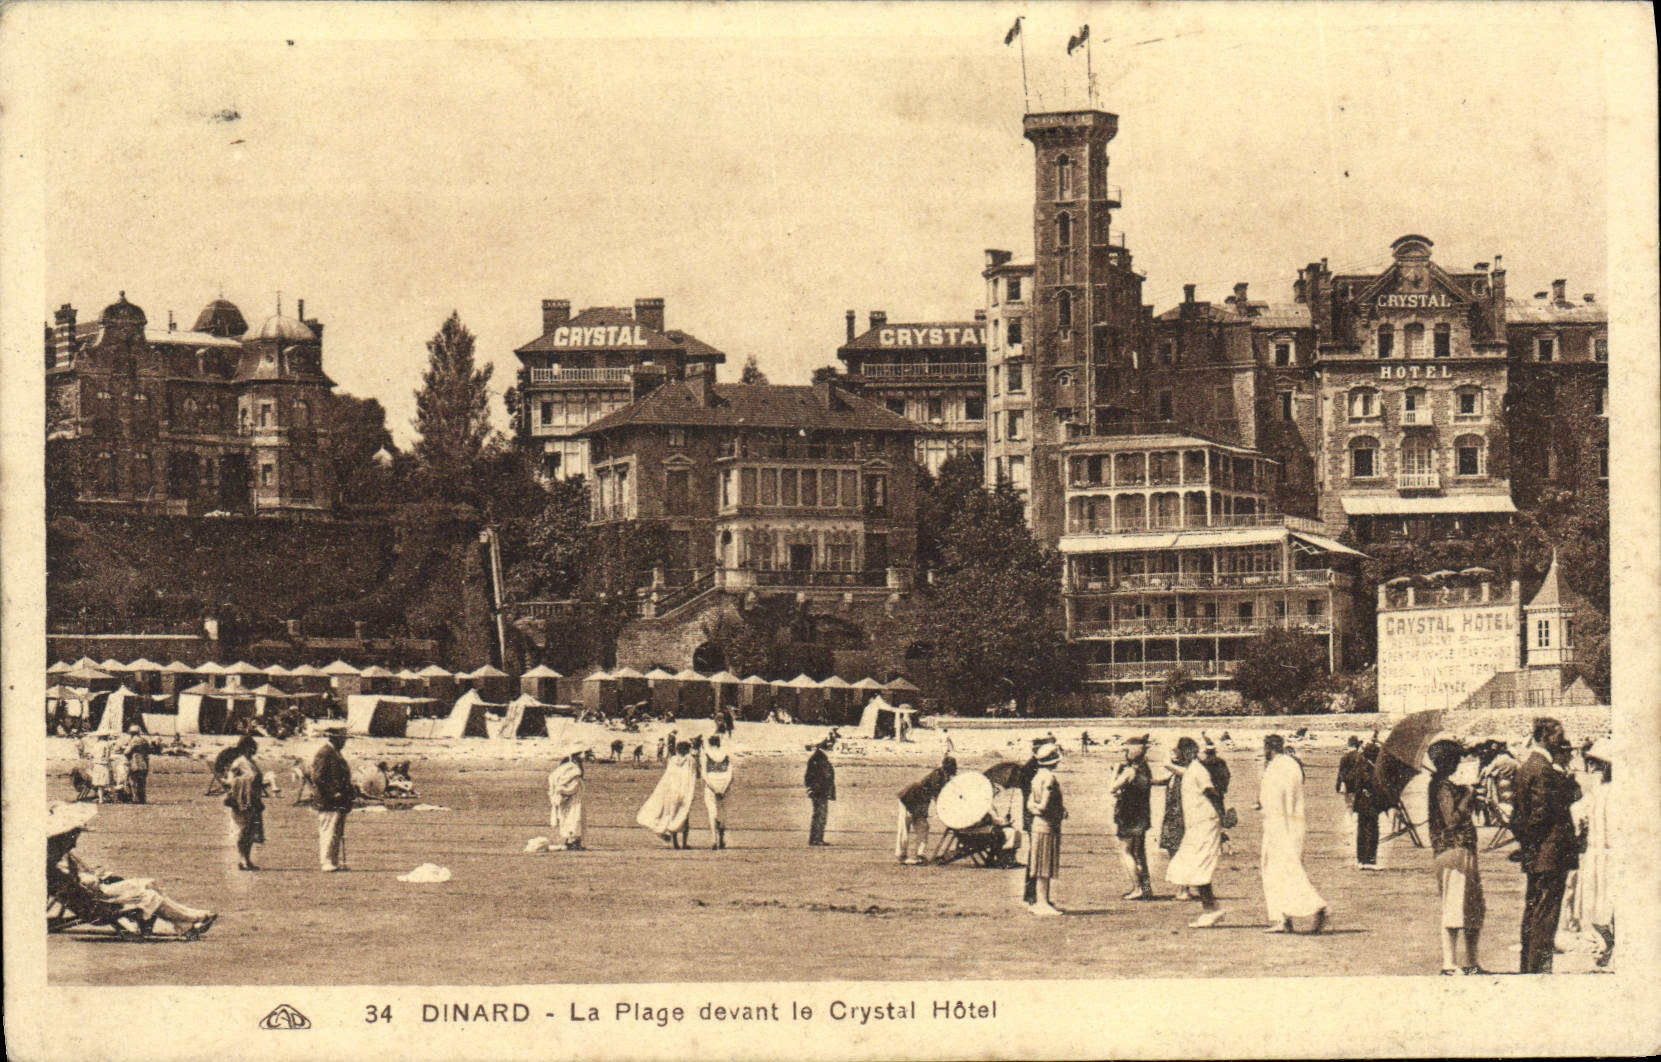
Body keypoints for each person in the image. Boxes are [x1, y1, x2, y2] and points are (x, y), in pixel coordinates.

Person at [47, 802, 216, 939]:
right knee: (150, 895)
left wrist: (90, 877)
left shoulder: (58, 858)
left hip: (98, 895)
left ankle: (185, 921)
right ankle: (192, 918)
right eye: (74, 836)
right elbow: (79, 890)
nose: (75, 841)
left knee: (148, 884)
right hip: (100, 901)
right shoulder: (54, 865)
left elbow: (74, 885)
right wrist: (91, 879)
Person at [1511, 717, 1581, 973]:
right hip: (1549, 853)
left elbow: (1519, 816)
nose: (1560, 741)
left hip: (1536, 853)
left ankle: (1529, 967)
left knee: (1533, 911)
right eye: (1557, 736)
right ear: (1545, 736)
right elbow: (1541, 815)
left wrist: (1526, 845)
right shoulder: (1543, 769)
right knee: (1545, 914)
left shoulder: (1528, 765)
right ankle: (1539, 968)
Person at [1426, 739, 1485, 974]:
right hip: (1452, 850)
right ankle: (1449, 963)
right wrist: (1468, 796)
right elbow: (1450, 820)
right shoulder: (1441, 786)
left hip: (1461, 850)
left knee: (1472, 907)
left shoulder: (1446, 785)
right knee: (1455, 906)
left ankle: (1470, 962)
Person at [1259, 734, 1327, 933]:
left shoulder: (1276, 767)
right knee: (1281, 870)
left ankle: (1316, 907)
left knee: (1282, 870)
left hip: (1278, 827)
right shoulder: (1293, 765)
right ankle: (1283, 919)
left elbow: (1271, 799)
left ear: (1268, 748)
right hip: (1293, 825)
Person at [1167, 736, 1227, 927]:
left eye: (1180, 752)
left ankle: (1210, 910)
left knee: (1198, 865)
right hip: (1197, 825)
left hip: (1205, 823)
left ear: (1189, 753)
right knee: (1191, 865)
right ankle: (1211, 908)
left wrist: (1223, 819)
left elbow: (1212, 793)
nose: (1178, 756)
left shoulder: (1197, 771)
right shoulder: (1192, 770)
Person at [1572, 738, 1613, 967]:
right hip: (1595, 854)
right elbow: (1581, 810)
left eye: (1598, 764)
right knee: (1594, 910)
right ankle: (1606, 944)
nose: (1594, 768)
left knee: (1609, 906)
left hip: (1612, 856)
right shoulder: (1597, 790)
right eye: (1592, 763)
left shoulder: (1618, 791)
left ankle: (1613, 949)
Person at [1110, 734, 1155, 900]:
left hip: (1128, 815)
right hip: (1142, 814)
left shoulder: (1130, 771)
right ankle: (1145, 887)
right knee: (1139, 852)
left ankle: (1137, 888)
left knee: (1127, 852)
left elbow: (1112, 787)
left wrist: (1115, 771)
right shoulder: (1145, 769)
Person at [1025, 739, 1065, 916]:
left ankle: (1042, 901)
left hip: (1037, 824)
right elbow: (1044, 805)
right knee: (1045, 864)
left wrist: (1036, 809)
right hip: (1047, 824)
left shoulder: (1036, 777)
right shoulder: (1049, 778)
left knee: (1040, 863)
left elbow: (1030, 804)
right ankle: (1042, 902)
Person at [895, 755, 957, 865]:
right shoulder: (938, 775)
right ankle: (901, 855)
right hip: (910, 797)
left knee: (923, 826)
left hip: (921, 802)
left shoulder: (943, 776)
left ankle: (920, 854)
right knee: (905, 824)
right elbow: (937, 796)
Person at [637, 740, 699, 848]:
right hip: (684, 791)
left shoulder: (672, 760)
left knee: (671, 815)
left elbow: (668, 777)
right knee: (684, 816)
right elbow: (695, 775)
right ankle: (684, 844)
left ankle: (675, 843)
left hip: (671, 791)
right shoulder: (691, 760)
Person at [310, 722, 355, 872]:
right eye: (343, 739)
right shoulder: (325, 752)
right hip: (328, 800)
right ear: (336, 739)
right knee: (329, 830)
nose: (345, 742)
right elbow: (317, 777)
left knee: (336, 831)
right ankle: (327, 861)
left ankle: (334, 861)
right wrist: (332, 792)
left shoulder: (335, 752)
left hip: (339, 800)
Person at [224, 735, 265, 871]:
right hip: (241, 799)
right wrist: (247, 781)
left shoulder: (249, 761)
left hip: (252, 798)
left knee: (250, 830)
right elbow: (230, 781)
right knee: (243, 829)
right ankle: (243, 859)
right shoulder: (239, 762)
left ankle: (247, 859)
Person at [1157, 741, 1191, 898]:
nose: (1171, 757)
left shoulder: (1189, 770)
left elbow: (1185, 773)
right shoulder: (1174, 773)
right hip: (1172, 817)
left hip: (1181, 818)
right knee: (1173, 851)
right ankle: (1181, 887)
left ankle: (1184, 889)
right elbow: (1162, 780)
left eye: (1174, 754)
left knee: (1181, 852)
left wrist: (1167, 764)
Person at [1346, 740, 1385, 869]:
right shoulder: (1368, 768)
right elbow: (1371, 784)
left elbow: (1351, 780)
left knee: (1362, 831)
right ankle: (1369, 860)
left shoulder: (1360, 765)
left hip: (1361, 803)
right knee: (1371, 831)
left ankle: (1362, 859)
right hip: (1369, 804)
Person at [548, 747, 585, 851]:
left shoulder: (570, 773)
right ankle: (573, 842)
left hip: (570, 800)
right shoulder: (575, 774)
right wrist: (564, 792)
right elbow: (572, 788)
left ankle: (571, 841)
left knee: (568, 820)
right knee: (575, 821)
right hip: (574, 801)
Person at [701, 735, 734, 850]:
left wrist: (713, 788)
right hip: (724, 784)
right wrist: (724, 788)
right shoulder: (726, 754)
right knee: (722, 812)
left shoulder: (706, 754)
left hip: (711, 784)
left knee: (712, 812)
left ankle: (713, 839)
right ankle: (722, 839)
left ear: (710, 744)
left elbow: (704, 774)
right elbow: (730, 774)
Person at [804, 739, 836, 845]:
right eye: (830, 747)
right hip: (819, 791)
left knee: (820, 815)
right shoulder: (819, 759)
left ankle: (817, 838)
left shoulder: (819, 758)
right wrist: (813, 789)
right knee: (820, 815)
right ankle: (816, 839)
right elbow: (811, 777)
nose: (832, 749)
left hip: (820, 791)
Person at [123, 726, 153, 805]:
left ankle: (135, 798)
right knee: (142, 782)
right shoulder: (144, 740)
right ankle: (142, 799)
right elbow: (150, 749)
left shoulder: (133, 741)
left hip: (135, 762)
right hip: (144, 763)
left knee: (133, 781)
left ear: (131, 733)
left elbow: (126, 752)